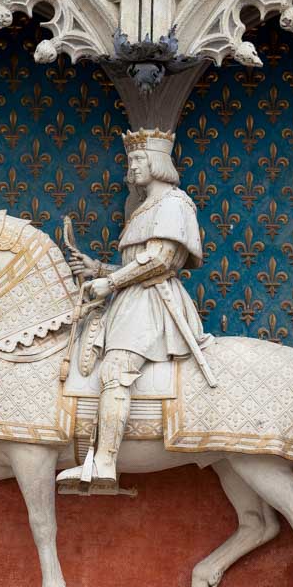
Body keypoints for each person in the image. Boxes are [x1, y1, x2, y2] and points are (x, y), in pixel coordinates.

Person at [57, 127, 212, 490]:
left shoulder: (176, 203)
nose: (132, 168)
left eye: (139, 160)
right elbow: (136, 263)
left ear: (158, 163)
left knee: (116, 368)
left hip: (153, 301)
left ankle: (105, 463)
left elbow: (160, 259)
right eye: (130, 162)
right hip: (131, 299)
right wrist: (98, 269)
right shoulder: (146, 207)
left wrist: (109, 282)